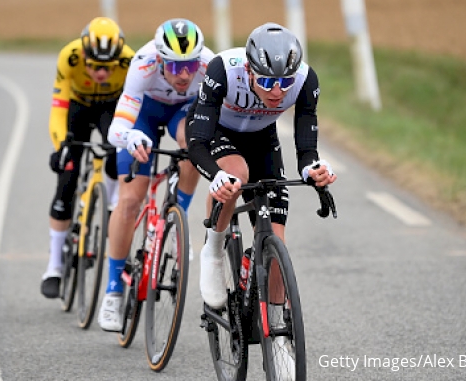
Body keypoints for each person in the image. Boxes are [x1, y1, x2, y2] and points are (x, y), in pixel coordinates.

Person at [186, 22, 337, 308]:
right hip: (217, 131)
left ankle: (280, 335)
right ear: (248, 69)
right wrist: (216, 175)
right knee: (236, 174)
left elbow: (306, 149)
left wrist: (312, 169)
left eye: (285, 82)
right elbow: (196, 145)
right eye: (267, 81)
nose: (278, 92)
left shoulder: (306, 80)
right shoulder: (223, 70)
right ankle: (214, 251)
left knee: (277, 237)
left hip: (262, 138)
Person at [98, 18, 215, 331]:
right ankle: (113, 289)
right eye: (176, 68)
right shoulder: (143, 64)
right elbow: (116, 129)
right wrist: (130, 138)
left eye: (190, 65)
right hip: (145, 113)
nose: (185, 74)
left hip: (185, 111)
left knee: (193, 144)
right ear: (160, 60)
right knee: (130, 200)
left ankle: (178, 222)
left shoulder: (209, 66)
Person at [41, 17, 136, 299]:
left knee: (116, 157)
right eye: (94, 66)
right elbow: (58, 108)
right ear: (84, 55)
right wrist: (61, 147)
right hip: (77, 109)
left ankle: (110, 203)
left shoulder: (130, 61)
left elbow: (134, 107)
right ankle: (54, 267)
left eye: (107, 67)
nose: (101, 73)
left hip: (111, 109)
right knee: (66, 182)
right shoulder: (69, 57)